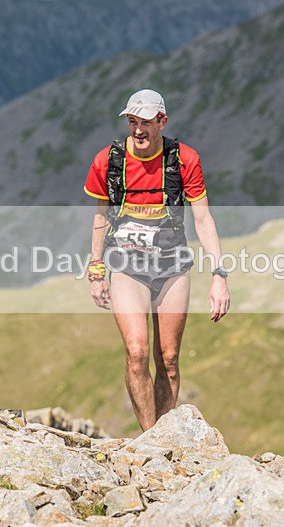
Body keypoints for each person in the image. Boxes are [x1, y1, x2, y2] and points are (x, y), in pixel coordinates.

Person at [83, 89, 230, 431]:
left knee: (169, 359)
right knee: (137, 353)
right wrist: (95, 269)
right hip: (127, 267)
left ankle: (164, 436)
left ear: (162, 121)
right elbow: (101, 217)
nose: (137, 130)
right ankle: (150, 441)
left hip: (172, 267)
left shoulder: (184, 160)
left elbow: (203, 219)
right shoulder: (108, 161)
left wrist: (219, 276)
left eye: (146, 122)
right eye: (132, 121)